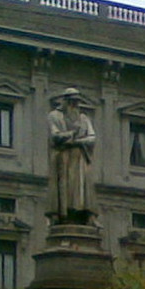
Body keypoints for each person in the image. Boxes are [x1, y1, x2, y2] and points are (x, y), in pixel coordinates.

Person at [47, 88, 97, 224]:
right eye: (73, 101)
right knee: (63, 187)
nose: (75, 105)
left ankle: (87, 215)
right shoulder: (54, 116)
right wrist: (71, 134)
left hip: (80, 157)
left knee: (83, 188)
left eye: (77, 102)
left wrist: (77, 141)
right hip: (62, 157)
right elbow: (55, 135)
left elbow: (92, 138)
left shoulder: (84, 118)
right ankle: (61, 215)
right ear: (66, 101)